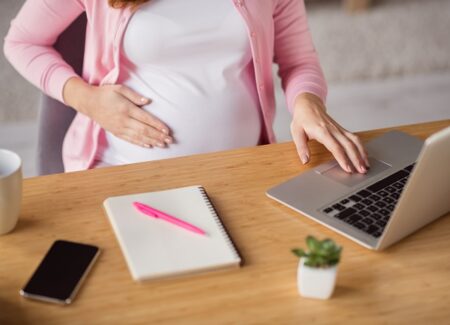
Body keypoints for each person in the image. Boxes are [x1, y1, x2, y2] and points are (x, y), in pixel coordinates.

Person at [4, 0, 369, 174]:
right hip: (120, 172)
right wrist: (85, 99)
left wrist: (307, 101)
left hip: (241, 171)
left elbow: (298, 61)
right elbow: (21, 41)